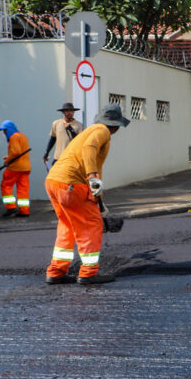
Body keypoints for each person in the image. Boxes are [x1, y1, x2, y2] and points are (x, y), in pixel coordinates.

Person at [44, 103, 129, 285]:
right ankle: (88, 273)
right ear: (115, 125)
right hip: (72, 184)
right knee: (91, 225)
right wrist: (92, 176)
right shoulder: (102, 131)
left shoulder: (88, 130)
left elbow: (87, 153)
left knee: (67, 226)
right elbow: (89, 148)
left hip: (54, 181)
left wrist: (99, 200)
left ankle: (56, 271)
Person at [0, 120, 32, 217]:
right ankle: (24, 211)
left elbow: (16, 152)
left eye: (5, 130)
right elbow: (20, 152)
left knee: (6, 186)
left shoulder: (13, 137)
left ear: (9, 129)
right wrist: (8, 157)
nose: (4, 133)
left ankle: (11, 207)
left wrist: (7, 161)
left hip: (15, 168)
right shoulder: (23, 136)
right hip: (26, 167)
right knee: (23, 189)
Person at [43, 102, 84, 167]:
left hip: (71, 158)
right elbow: (52, 139)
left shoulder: (79, 125)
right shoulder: (56, 123)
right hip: (58, 158)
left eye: (71, 110)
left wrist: (71, 129)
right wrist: (46, 153)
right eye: (67, 111)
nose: (69, 112)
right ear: (63, 112)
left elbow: (79, 142)